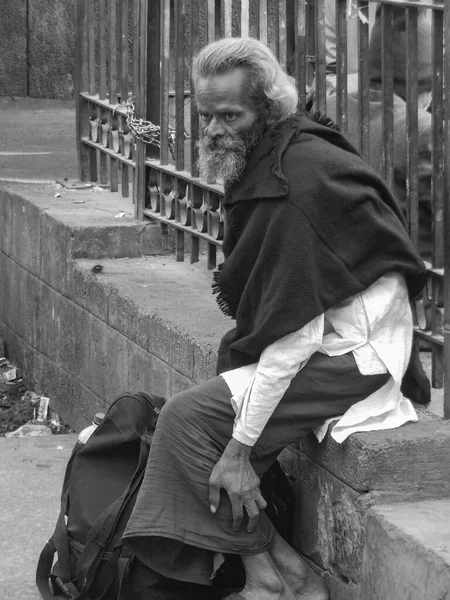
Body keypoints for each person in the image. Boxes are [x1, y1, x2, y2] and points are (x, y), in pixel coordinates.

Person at [122, 37, 426, 600]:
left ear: (268, 108)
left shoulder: (295, 183)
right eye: (205, 114)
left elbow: (295, 333)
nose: (213, 129)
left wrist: (240, 450)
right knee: (197, 429)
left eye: (229, 115)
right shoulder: (272, 154)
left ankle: (282, 579)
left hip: (352, 354)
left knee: (191, 424)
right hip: (327, 339)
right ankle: (279, 574)